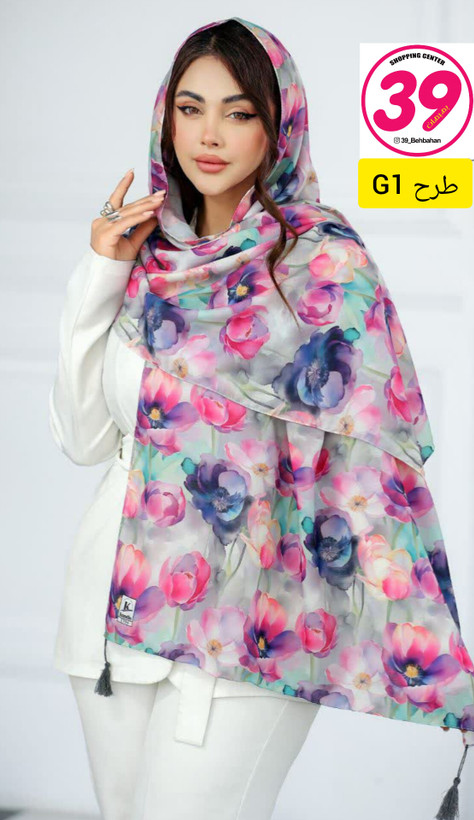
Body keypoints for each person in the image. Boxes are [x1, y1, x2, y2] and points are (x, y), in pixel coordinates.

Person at [49, 16, 474, 820]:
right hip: (114, 610)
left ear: (280, 129)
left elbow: (373, 451)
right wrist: (99, 271)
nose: (209, 135)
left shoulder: (323, 263)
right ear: (165, 118)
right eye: (191, 108)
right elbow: (82, 439)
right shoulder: (141, 260)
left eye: (239, 113)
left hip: (252, 620)